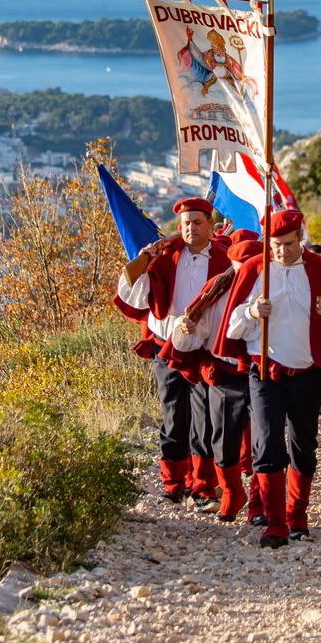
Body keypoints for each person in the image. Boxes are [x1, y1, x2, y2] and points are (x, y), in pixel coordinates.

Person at [216, 210, 321, 548]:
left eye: (288, 244)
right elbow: (233, 326)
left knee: (303, 446)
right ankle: (276, 523)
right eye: (275, 245)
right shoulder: (257, 271)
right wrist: (253, 312)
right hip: (266, 373)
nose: (281, 251)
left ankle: (298, 514)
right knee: (267, 444)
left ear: (301, 239)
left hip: (308, 374)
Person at [113, 197, 232, 507]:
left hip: (204, 350)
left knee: (204, 418)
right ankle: (173, 482)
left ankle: (203, 486)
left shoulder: (224, 259)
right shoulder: (164, 258)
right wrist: (142, 264)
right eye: (186, 223)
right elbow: (137, 297)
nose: (191, 228)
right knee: (172, 416)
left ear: (209, 225)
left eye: (197, 222)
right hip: (167, 347)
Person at [171, 234, 263, 522]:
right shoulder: (216, 290)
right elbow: (199, 332)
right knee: (223, 440)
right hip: (226, 375)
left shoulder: (271, 289)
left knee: (265, 439)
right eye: (239, 267)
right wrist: (186, 329)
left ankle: (261, 501)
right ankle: (234, 492)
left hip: (263, 372)